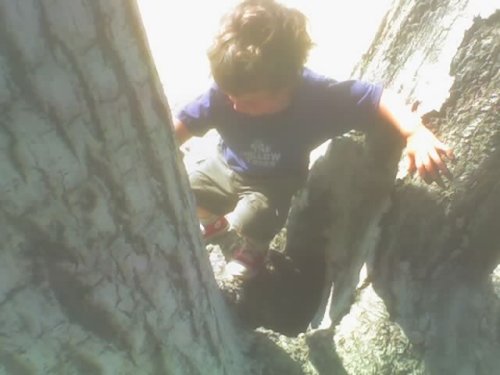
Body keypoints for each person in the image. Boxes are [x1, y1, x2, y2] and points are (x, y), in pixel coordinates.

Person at [173, 0, 453, 279]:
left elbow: (375, 97)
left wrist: (414, 132)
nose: (233, 104)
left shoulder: (318, 100)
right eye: (228, 94)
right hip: (225, 164)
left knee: (255, 218)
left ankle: (255, 248)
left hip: (273, 182)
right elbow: (181, 125)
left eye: (247, 101)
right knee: (185, 189)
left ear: (286, 87)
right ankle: (213, 223)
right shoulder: (228, 91)